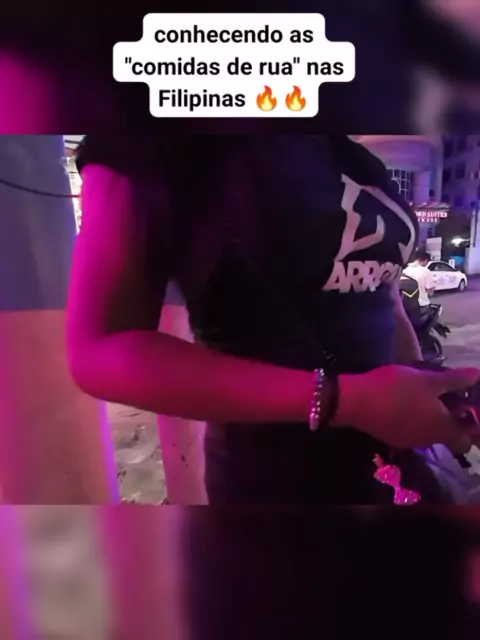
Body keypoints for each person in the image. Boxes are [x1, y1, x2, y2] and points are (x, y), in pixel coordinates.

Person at [66, 134, 480, 505]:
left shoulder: (350, 153)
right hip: (279, 487)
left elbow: (382, 290)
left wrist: (435, 391)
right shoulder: (162, 135)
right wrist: (346, 400)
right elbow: (100, 349)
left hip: (393, 464)